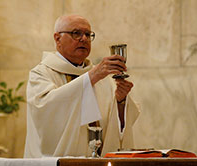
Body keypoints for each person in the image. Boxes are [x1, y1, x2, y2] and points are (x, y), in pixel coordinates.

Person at [24, 14, 140, 158]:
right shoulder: (41, 73)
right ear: (57, 38)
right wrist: (91, 77)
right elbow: (46, 111)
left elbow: (117, 126)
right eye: (76, 33)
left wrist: (120, 102)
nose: (84, 39)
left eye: (87, 34)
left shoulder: (102, 78)